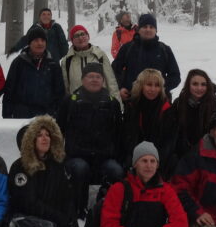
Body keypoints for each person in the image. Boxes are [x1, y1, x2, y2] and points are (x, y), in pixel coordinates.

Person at [8, 117, 79, 227]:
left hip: (57, 222)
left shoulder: (59, 165)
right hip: (30, 223)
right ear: (31, 139)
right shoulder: (20, 167)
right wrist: (59, 217)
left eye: (48, 134)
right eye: (39, 135)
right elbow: (28, 203)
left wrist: (69, 219)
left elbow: (67, 197)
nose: (45, 138)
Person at [56, 62, 124, 215]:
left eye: (98, 77)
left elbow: (119, 133)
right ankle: (78, 211)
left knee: (116, 171)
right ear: (82, 79)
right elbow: (58, 131)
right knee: (80, 169)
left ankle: (108, 210)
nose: (94, 80)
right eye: (90, 76)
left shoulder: (112, 102)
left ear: (103, 80)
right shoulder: (70, 101)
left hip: (104, 158)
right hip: (77, 156)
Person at [165, 68, 216, 179]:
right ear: (188, 85)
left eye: (203, 84)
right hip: (184, 158)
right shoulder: (179, 103)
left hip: (211, 158)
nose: (199, 88)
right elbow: (172, 133)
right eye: (195, 84)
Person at [112, 13, 181, 99]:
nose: (148, 29)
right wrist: (120, 88)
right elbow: (113, 71)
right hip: (132, 100)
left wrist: (161, 88)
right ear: (139, 29)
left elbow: (175, 76)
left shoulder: (164, 50)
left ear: (156, 30)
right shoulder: (128, 48)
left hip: (159, 101)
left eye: (151, 27)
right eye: (145, 27)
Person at [2, 27, 66, 119]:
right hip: (21, 116)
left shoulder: (53, 64)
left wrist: (56, 113)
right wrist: (7, 115)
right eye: (36, 40)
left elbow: (60, 93)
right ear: (29, 43)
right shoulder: (18, 63)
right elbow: (9, 91)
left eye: (43, 40)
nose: (40, 43)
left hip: (47, 117)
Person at [121, 68, 176, 171]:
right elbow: (128, 136)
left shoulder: (167, 108)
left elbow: (168, 140)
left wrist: (156, 160)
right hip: (136, 156)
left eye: (157, 85)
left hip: (159, 158)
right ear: (141, 86)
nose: (153, 89)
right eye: (149, 85)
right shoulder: (132, 105)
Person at [60, 24, 120, 99]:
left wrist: (117, 103)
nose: (80, 38)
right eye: (76, 36)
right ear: (72, 41)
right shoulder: (67, 61)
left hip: (101, 103)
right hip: (77, 104)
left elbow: (111, 82)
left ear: (88, 36)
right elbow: (66, 88)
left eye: (83, 34)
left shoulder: (100, 55)